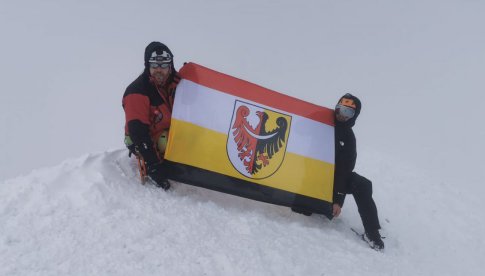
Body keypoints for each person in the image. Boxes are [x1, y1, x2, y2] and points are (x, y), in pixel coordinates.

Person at [122, 41, 180, 190]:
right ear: (148, 66)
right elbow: (138, 131)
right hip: (142, 137)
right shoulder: (137, 91)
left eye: (164, 66)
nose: (159, 70)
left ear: (170, 66)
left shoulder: (175, 83)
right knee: (168, 142)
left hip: (167, 128)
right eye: (154, 66)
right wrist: (153, 165)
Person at [332, 93, 384, 250]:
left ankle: (372, 234)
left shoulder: (348, 138)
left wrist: (337, 200)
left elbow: (344, 170)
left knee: (363, 184)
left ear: (354, 116)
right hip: (309, 170)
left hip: (332, 177)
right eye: (340, 109)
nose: (342, 115)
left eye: (348, 112)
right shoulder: (321, 120)